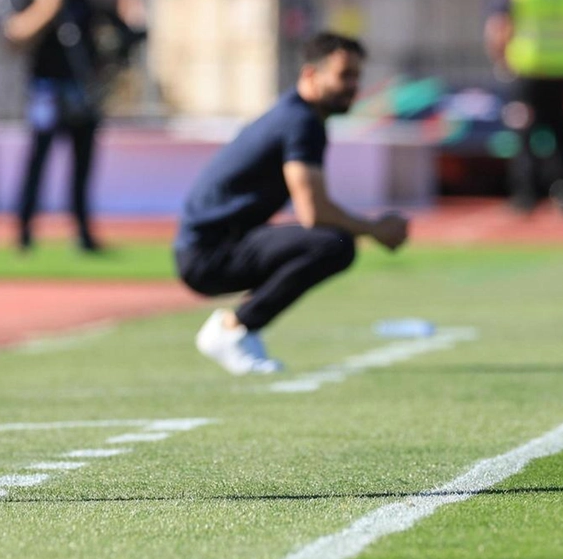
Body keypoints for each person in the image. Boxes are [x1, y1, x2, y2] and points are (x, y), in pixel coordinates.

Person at [174, 33, 409, 375]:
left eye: (357, 76)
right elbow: (313, 212)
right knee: (334, 244)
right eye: (344, 75)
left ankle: (237, 327)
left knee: (332, 242)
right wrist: (375, 230)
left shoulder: (298, 116)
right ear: (311, 75)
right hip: (208, 255)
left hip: (213, 246)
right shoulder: (301, 123)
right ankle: (234, 329)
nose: (353, 86)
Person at [0, 0, 104, 252]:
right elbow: (15, 33)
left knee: (82, 160)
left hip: (80, 79)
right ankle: (24, 229)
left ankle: (83, 231)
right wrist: (48, 6)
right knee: (39, 156)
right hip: (47, 81)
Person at [484, 0, 563, 214]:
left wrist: (501, 58)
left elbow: (499, 26)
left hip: (528, 68)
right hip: (562, 67)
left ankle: (526, 196)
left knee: (525, 133)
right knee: (561, 133)